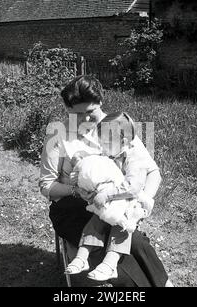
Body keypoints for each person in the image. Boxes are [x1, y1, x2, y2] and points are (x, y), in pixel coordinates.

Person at [39, 75, 173, 287]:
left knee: (135, 241)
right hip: (72, 207)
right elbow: (47, 186)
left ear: (101, 102)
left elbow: (152, 171)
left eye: (90, 112)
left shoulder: (117, 127)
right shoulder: (59, 134)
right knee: (109, 251)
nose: (85, 120)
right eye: (77, 114)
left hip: (115, 203)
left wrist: (140, 201)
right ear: (67, 109)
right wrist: (77, 190)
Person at [64, 112, 155, 281]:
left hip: (131, 202)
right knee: (95, 222)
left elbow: (133, 187)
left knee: (120, 227)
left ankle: (110, 263)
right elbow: (97, 172)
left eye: (107, 143)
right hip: (110, 201)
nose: (103, 147)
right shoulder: (109, 154)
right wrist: (79, 175)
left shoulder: (136, 158)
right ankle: (82, 257)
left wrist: (107, 195)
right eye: (101, 142)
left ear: (124, 142)